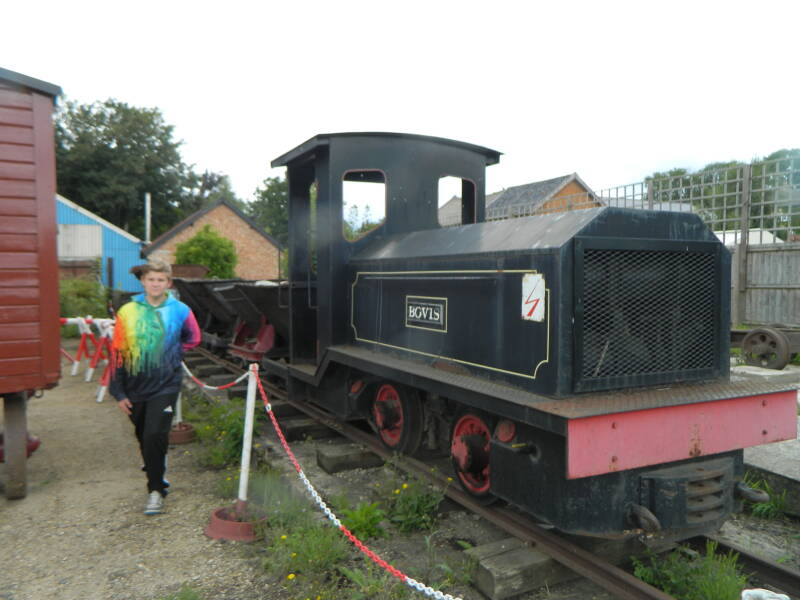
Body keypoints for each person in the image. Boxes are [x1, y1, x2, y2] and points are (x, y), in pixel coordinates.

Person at [109, 259, 201, 515]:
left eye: (161, 280)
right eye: (151, 279)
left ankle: (156, 490)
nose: (156, 284)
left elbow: (193, 338)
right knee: (143, 435)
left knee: (154, 435)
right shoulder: (128, 311)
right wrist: (117, 390)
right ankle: (155, 466)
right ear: (143, 282)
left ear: (168, 283)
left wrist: (172, 354)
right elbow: (117, 350)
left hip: (166, 385)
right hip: (134, 383)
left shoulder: (180, 310)